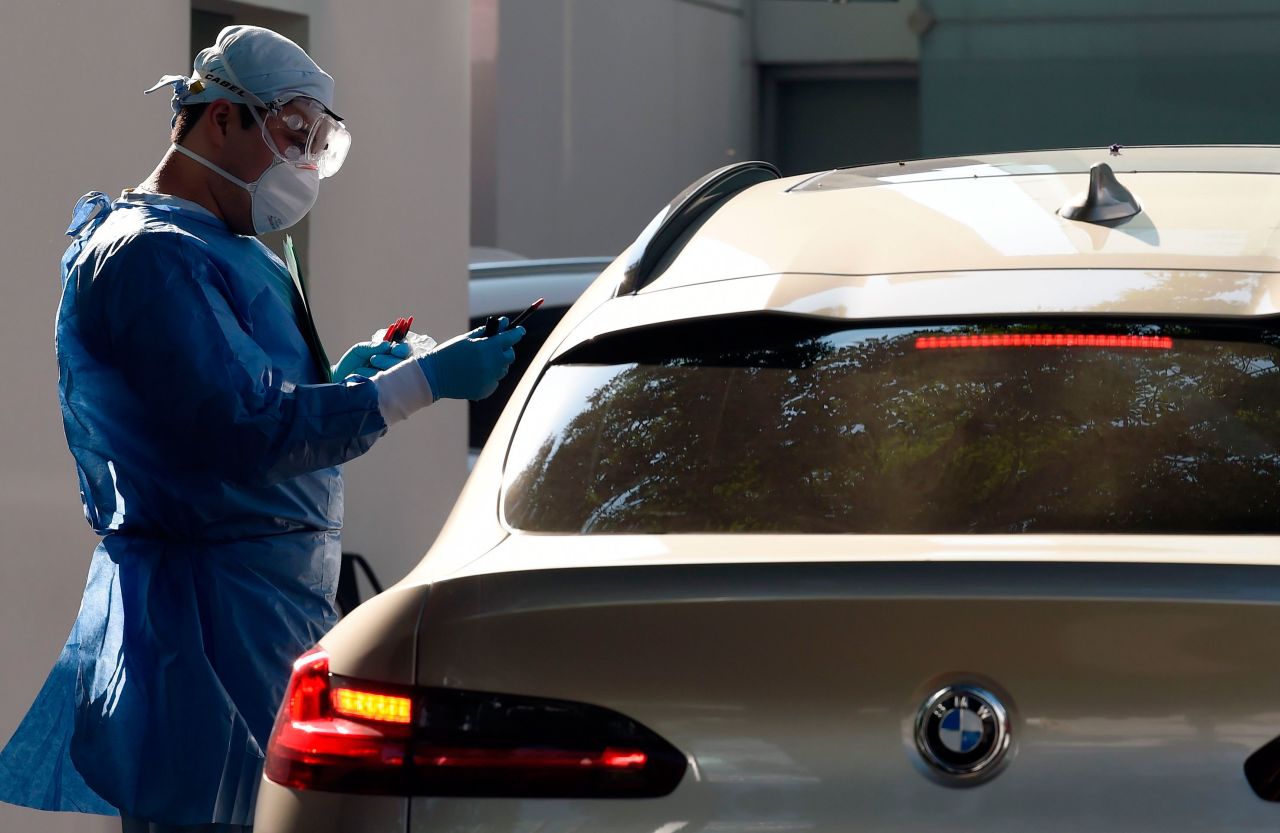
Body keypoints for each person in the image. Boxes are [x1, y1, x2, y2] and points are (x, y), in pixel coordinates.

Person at [0, 25, 524, 832]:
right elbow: (240, 430)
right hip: (203, 630)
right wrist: (417, 384)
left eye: (319, 141)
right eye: (293, 132)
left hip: (269, 609)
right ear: (221, 119)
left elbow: (256, 398)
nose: (305, 161)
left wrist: (341, 381)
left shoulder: (236, 251)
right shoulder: (147, 255)